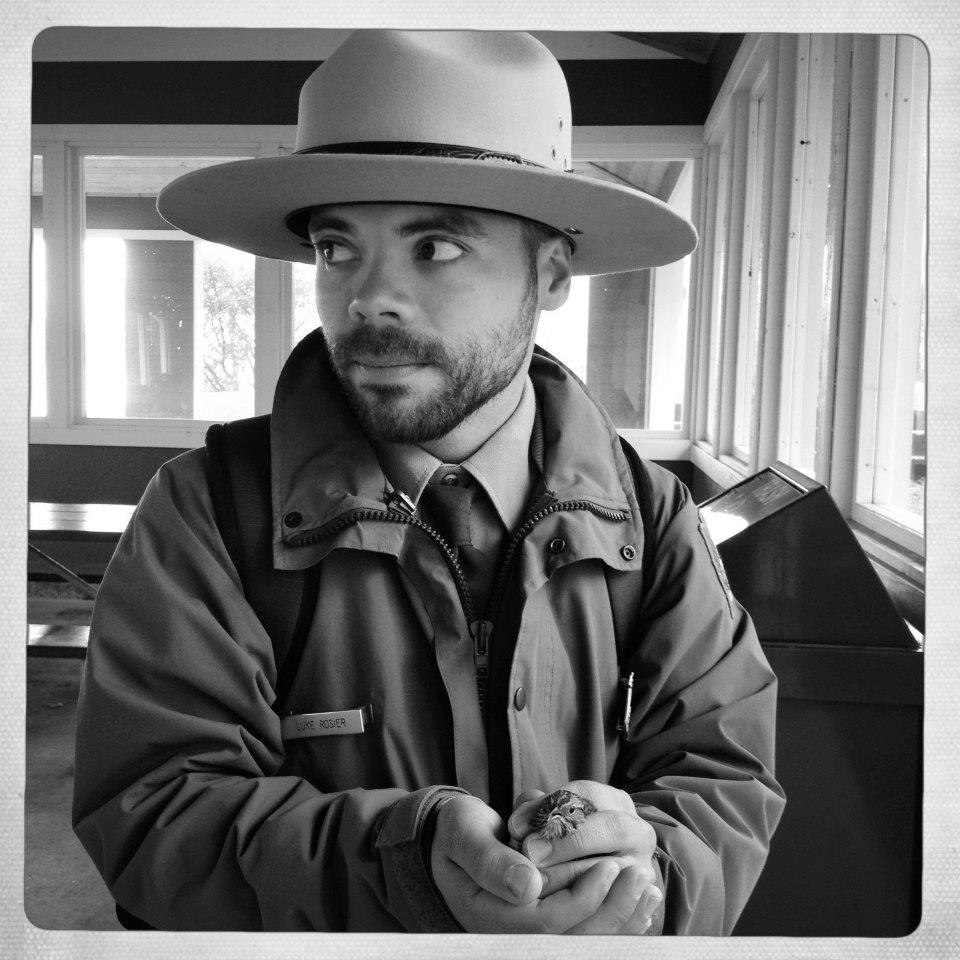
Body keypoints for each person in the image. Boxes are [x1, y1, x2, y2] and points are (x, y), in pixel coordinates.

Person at [72, 29, 785, 935]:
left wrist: (649, 875)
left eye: (436, 247)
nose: (368, 297)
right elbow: (152, 813)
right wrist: (403, 863)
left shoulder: (650, 516)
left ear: (552, 273)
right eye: (337, 249)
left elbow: (724, 776)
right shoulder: (206, 512)